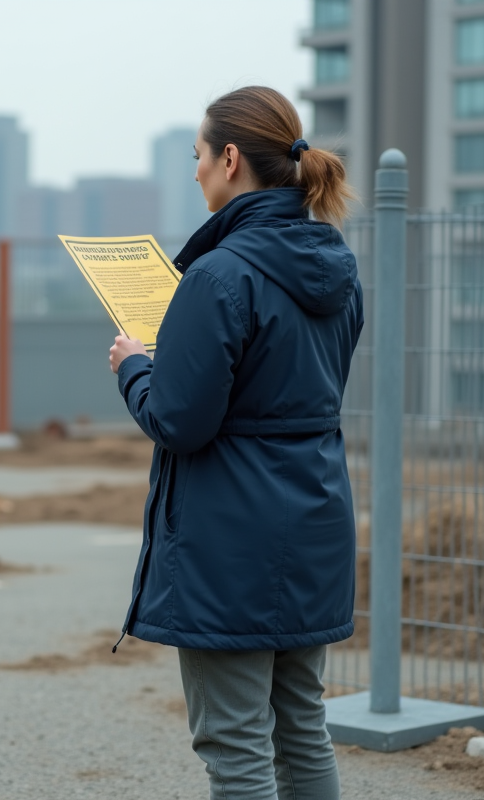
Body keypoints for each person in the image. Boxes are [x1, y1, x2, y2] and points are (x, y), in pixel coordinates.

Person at [108, 86, 363, 800]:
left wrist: (135, 368)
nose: (193, 172)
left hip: (231, 538)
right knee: (300, 728)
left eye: (196, 156)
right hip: (315, 518)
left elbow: (180, 422)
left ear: (228, 159)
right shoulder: (338, 267)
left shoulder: (218, 275)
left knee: (236, 745)